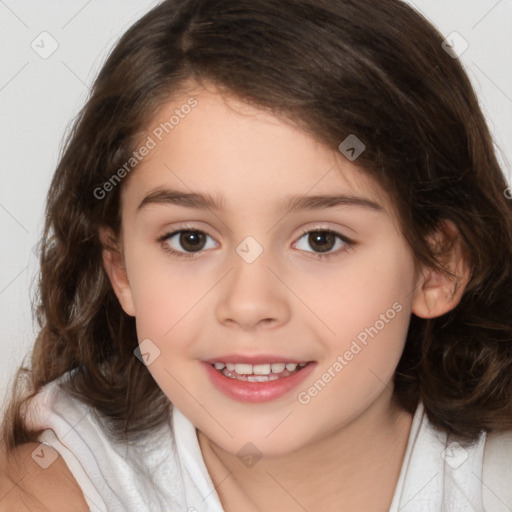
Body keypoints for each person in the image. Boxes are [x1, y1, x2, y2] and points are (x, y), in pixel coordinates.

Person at [1, 0, 512, 510]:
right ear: (121, 269)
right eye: (191, 239)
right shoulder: (41, 496)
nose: (248, 305)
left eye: (321, 240)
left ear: (437, 267)